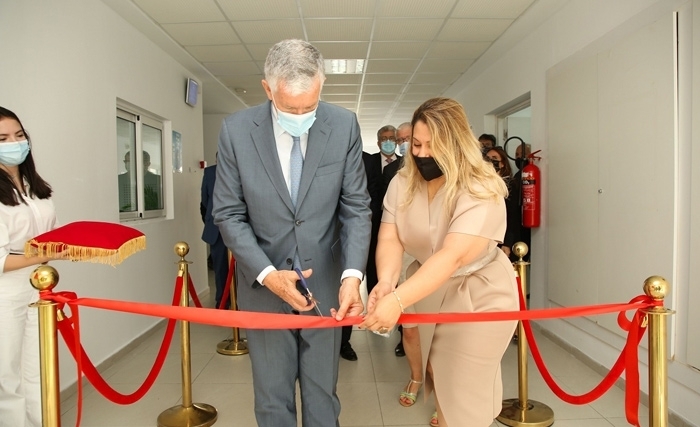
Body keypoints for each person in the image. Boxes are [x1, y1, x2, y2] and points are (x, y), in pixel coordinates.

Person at [212, 39, 371, 427]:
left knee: (323, 397)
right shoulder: (236, 131)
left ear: (322, 85)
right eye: (289, 108)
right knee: (271, 400)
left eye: (310, 107)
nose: (301, 116)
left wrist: (353, 277)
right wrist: (267, 275)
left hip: (327, 288)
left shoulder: (343, 124)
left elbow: (356, 208)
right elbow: (228, 214)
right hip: (264, 288)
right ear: (268, 89)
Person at [361, 97, 518, 427]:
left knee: (464, 389)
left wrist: (398, 300)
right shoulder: (403, 182)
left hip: (480, 293)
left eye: (433, 146)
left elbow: (453, 255)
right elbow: (390, 237)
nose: (420, 154)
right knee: (440, 377)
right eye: (416, 144)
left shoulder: (479, 188)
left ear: (457, 144)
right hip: (429, 289)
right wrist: (387, 283)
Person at [0, 106, 65, 426]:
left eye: (19, 135)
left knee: (39, 366)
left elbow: (48, 234)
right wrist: (54, 252)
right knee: (6, 375)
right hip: (6, 290)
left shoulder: (32, 185)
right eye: (3, 138)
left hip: (39, 287)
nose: (14, 142)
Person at [200, 160, 229, 309]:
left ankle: (231, 303)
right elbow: (204, 202)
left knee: (241, 269)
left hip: (243, 228)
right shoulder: (210, 172)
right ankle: (222, 302)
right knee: (220, 268)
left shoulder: (243, 167)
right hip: (216, 230)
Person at [485, 146, 516, 258]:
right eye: (487, 158)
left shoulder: (509, 185)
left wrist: (507, 243)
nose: (490, 161)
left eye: (494, 158)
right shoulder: (482, 183)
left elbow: (511, 216)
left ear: (502, 163)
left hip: (503, 237)